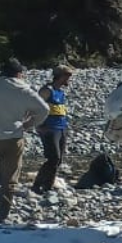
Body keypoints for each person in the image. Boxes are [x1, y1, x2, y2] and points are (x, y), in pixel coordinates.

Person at [0, 58, 49, 223]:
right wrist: (28, 125)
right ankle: (3, 216)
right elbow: (44, 109)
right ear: (19, 74)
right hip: (14, 139)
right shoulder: (25, 90)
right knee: (9, 179)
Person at [31, 64, 74, 194]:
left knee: (58, 160)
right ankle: (37, 185)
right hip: (49, 128)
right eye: (67, 76)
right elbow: (35, 108)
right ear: (60, 76)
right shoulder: (47, 91)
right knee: (53, 158)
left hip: (61, 128)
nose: (69, 80)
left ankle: (48, 186)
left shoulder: (60, 92)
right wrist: (38, 125)